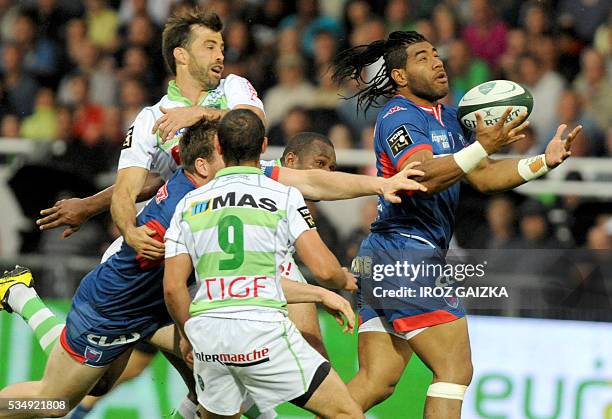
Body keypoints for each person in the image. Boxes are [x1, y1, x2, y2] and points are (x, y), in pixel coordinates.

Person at [332, 30, 582, 418]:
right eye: (422, 57)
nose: (437, 61)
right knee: (454, 368)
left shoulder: (451, 118)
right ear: (399, 76)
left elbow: (482, 176)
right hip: (405, 252)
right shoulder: (398, 116)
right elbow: (424, 175)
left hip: (388, 256)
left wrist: (543, 162)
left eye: (436, 54)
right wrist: (482, 145)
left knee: (377, 380)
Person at [0, 121, 224, 419]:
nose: (238, 161)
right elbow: (134, 189)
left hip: (157, 303)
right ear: (202, 164)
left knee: (210, 376)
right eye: (227, 153)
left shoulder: (217, 166)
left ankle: (19, 294)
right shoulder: (176, 204)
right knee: (54, 403)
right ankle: (19, 296)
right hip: (119, 303)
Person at [164, 109, 364, 419]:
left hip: (208, 335)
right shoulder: (283, 196)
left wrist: (189, 336)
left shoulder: (188, 205)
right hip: (262, 331)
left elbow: (173, 287)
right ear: (264, 147)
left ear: (218, 146)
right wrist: (339, 283)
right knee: (345, 413)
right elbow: (324, 270)